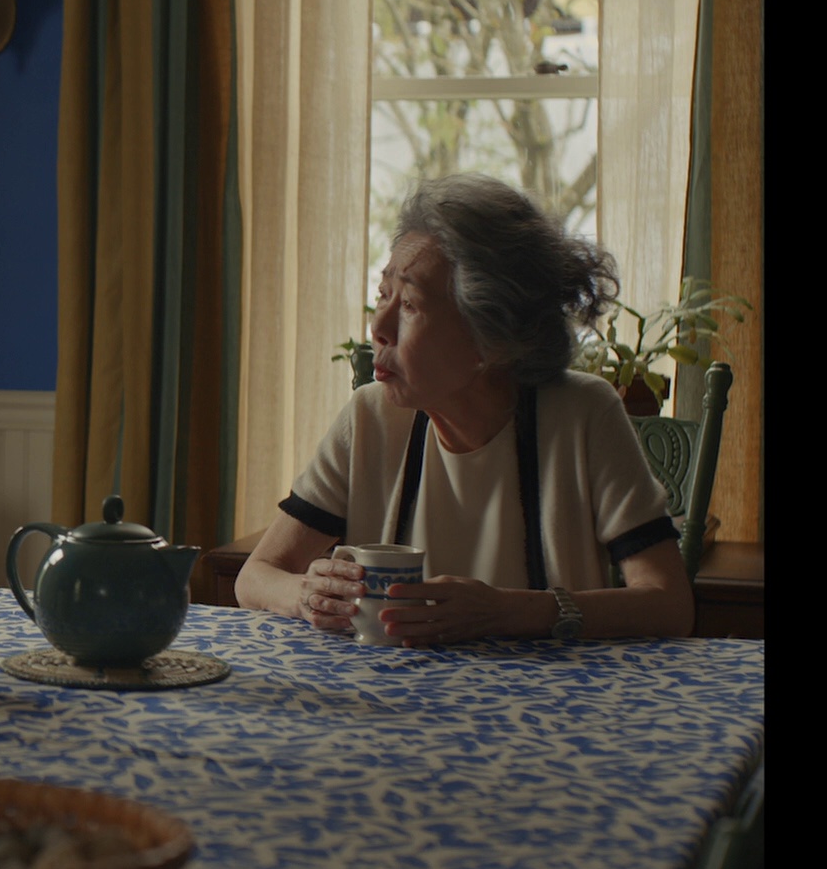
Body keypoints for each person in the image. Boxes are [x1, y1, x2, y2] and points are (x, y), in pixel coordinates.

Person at [234, 174, 696, 643]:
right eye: (383, 295)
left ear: (489, 340)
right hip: (387, 687)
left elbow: (668, 603)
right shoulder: (370, 417)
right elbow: (256, 576)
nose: (379, 327)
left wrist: (513, 612)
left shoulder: (583, 415)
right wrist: (306, 594)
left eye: (409, 304)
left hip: (551, 689)